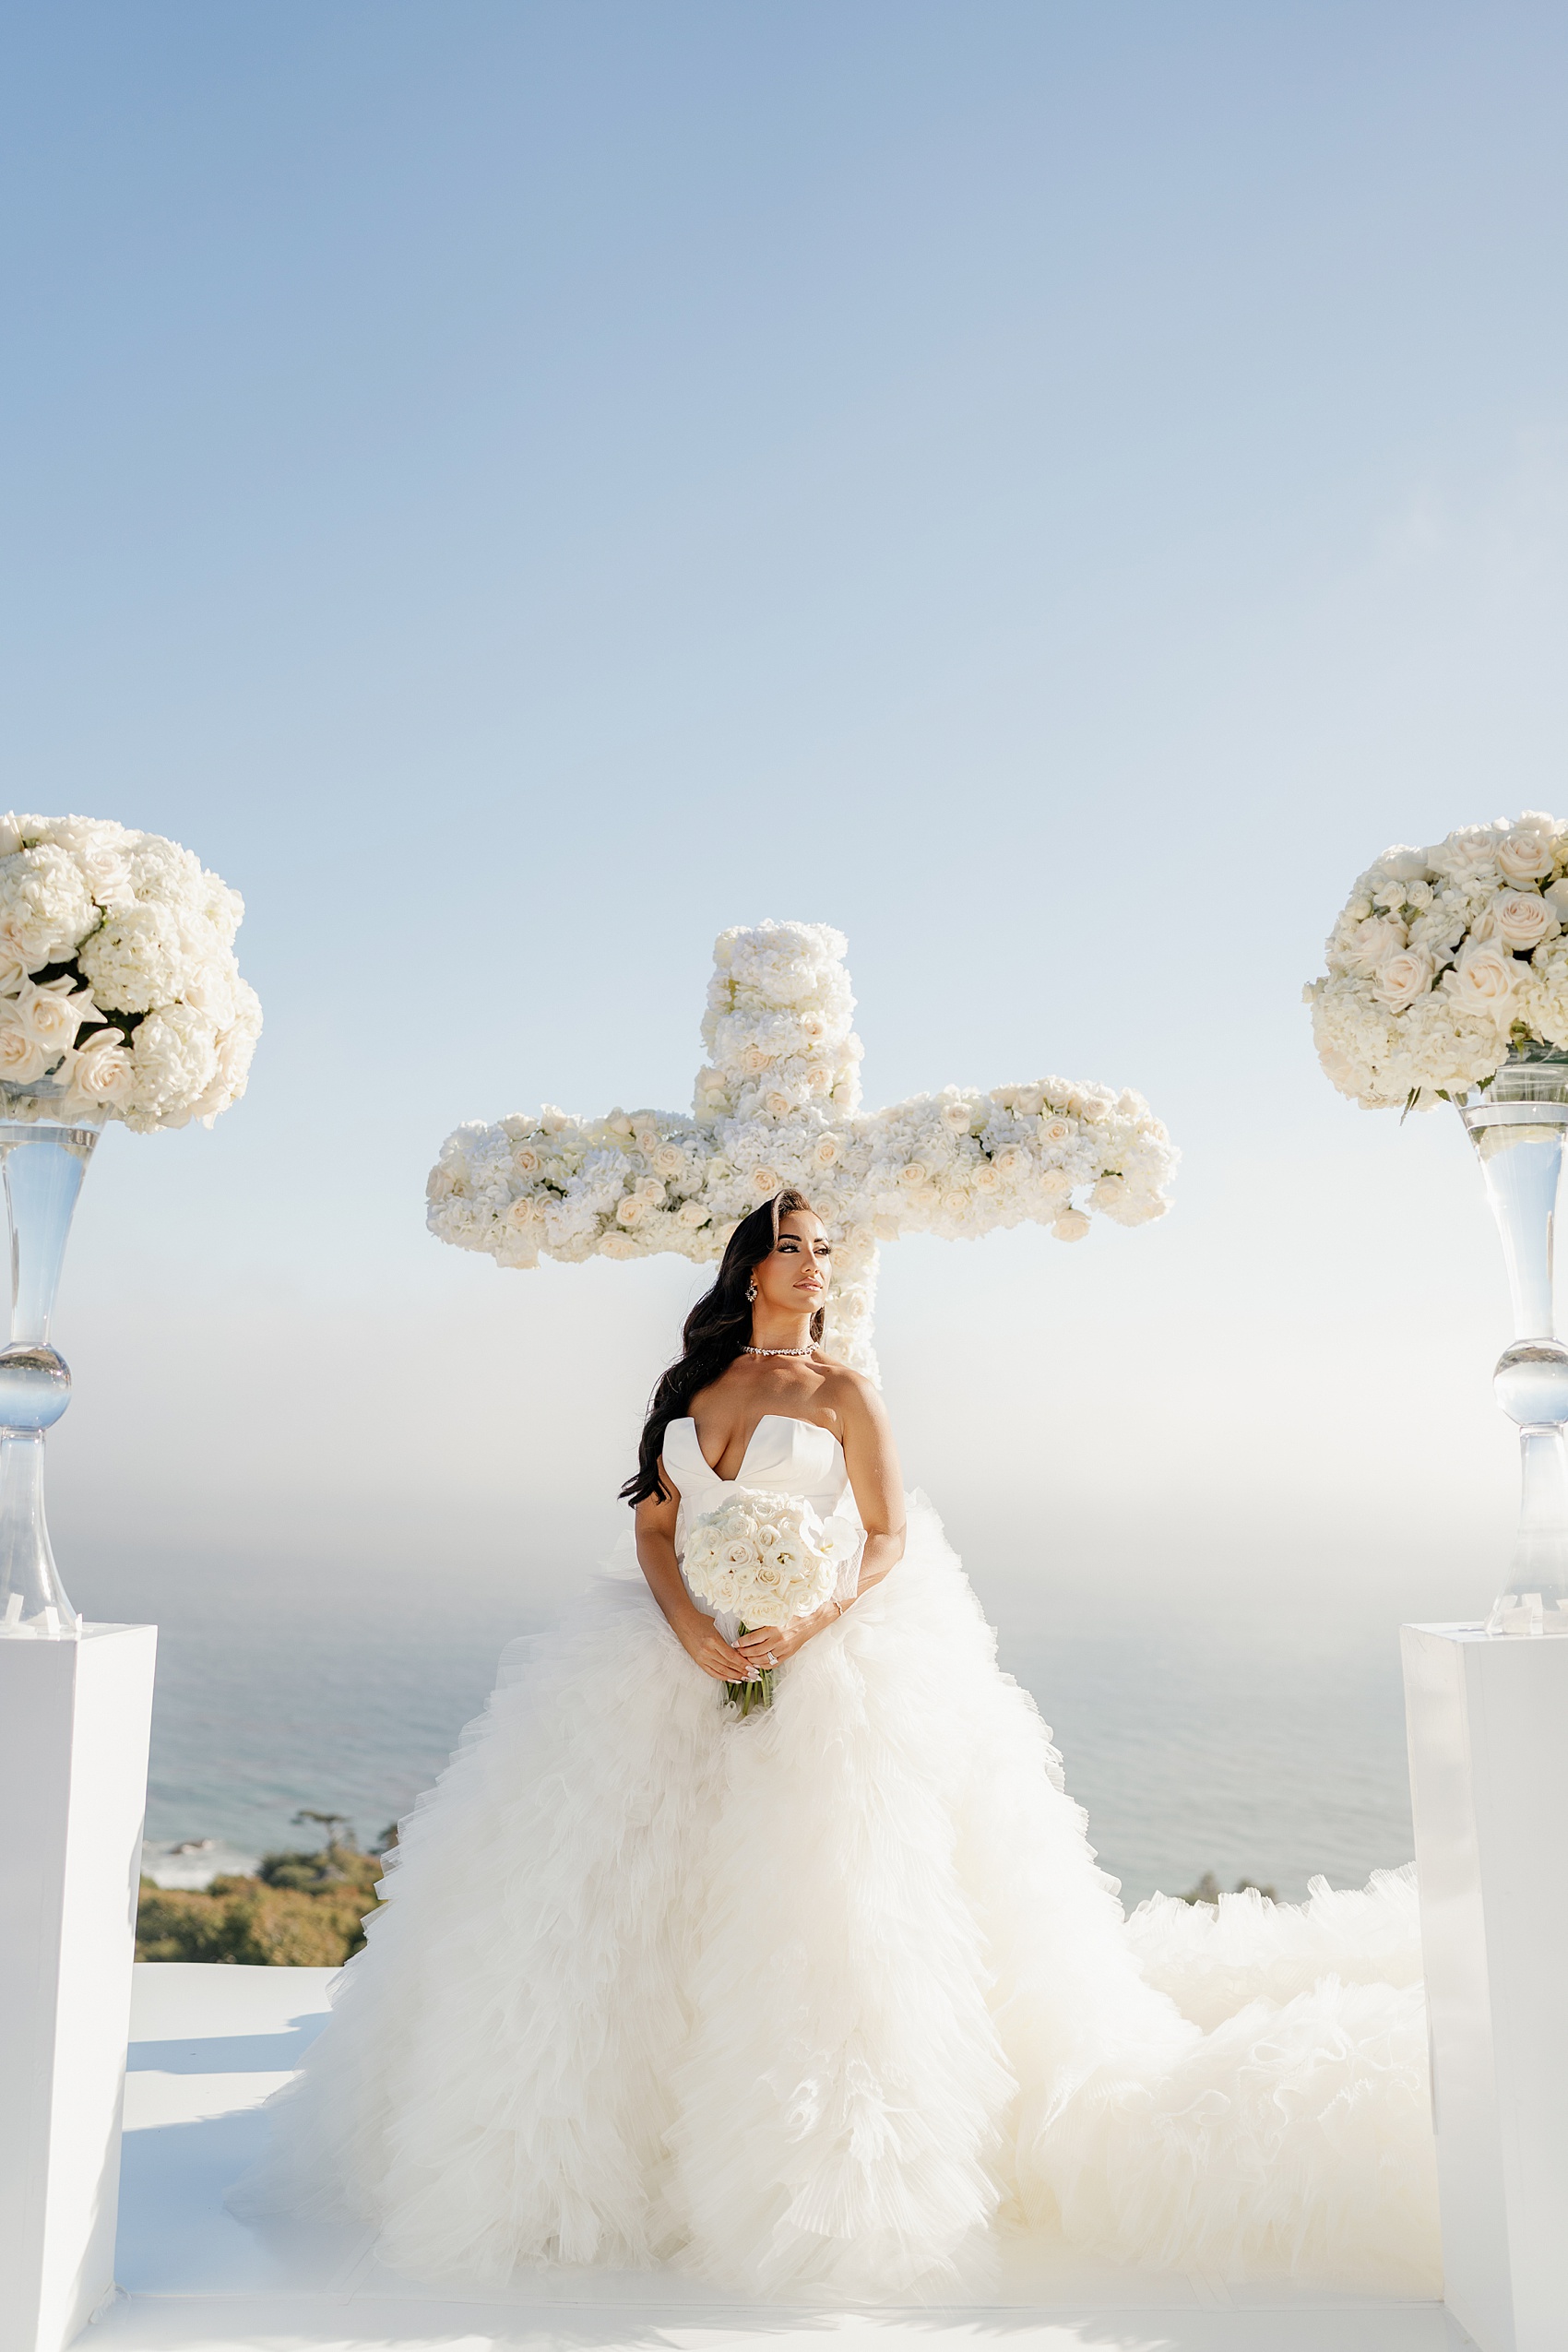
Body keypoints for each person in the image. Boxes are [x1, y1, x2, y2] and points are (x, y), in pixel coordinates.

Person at [233, 1191, 1437, 2298]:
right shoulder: (689, 1384)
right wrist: (699, 1635)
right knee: (591, 1907)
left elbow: (884, 1536)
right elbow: (656, 1530)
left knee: (822, 1911)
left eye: (826, 1251)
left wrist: (801, 1622)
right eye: (797, 1245)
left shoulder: (846, 1393)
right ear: (752, 1264)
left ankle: (803, 2186)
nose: (817, 1266)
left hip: (824, 1664)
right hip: (672, 1662)